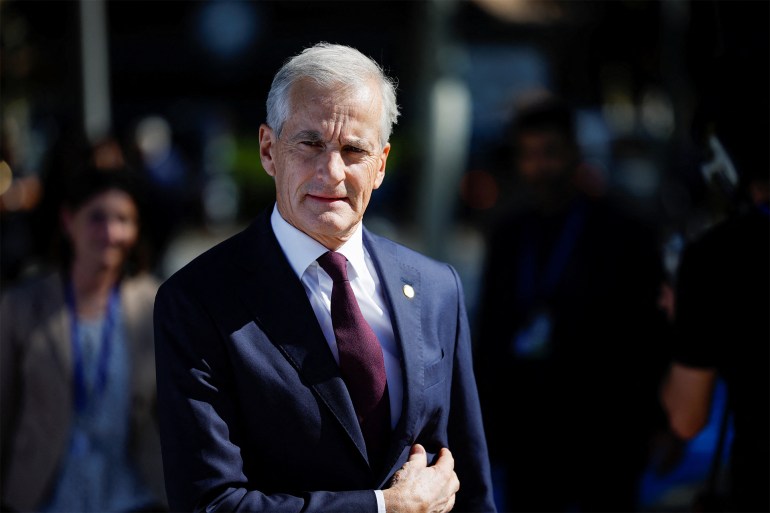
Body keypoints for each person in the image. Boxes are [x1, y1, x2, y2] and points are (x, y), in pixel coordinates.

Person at [153, 42, 496, 513]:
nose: (331, 171)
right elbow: (210, 503)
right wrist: (383, 508)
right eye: (310, 143)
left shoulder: (437, 288)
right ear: (269, 150)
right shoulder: (197, 301)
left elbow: (469, 480)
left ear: (380, 165)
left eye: (354, 149)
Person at [473, 91, 670, 512]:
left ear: (575, 153)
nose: (539, 167)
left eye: (550, 153)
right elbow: (490, 333)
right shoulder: (509, 234)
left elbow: (652, 333)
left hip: (608, 429)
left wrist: (659, 422)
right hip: (529, 431)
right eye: (528, 155)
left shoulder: (624, 231)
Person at [0, 164, 167, 512]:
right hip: (43, 498)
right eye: (97, 218)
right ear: (67, 221)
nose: (110, 232)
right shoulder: (22, 307)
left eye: (124, 219)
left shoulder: (155, 305)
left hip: (134, 497)